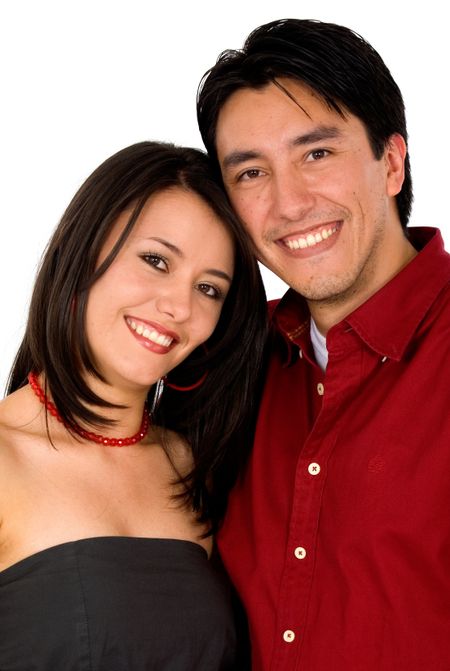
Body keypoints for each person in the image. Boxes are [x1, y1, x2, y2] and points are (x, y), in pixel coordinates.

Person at [197, 18, 450, 671]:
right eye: (251, 172)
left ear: (390, 162)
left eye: (317, 153)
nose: (289, 203)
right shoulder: (225, 361)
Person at [0, 140, 267, 669]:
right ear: (82, 252)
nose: (178, 307)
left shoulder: (192, 467)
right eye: (155, 261)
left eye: (210, 289)